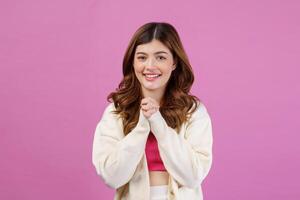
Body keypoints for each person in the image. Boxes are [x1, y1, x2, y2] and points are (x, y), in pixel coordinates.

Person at [92, 21, 213, 200]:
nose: (150, 66)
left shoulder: (193, 112)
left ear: (174, 63)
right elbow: (112, 176)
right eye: (142, 57)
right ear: (132, 63)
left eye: (161, 57)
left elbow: (193, 176)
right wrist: (142, 126)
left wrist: (159, 124)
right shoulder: (116, 112)